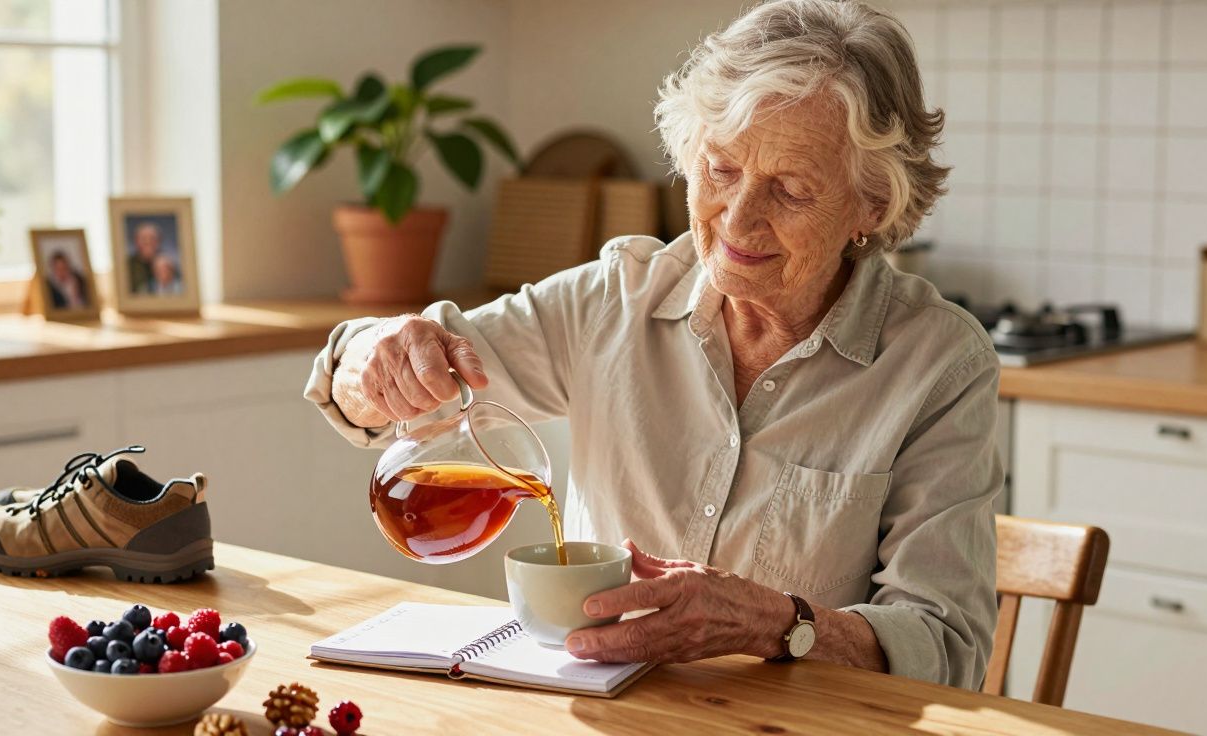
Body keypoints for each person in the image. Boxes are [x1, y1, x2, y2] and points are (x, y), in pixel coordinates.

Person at [305, 0, 999, 689]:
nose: (740, 218)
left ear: (871, 204)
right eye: (721, 170)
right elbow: (372, 384)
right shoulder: (613, 300)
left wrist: (772, 623)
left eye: (790, 189)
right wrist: (376, 358)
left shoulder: (938, 363)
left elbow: (945, 645)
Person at [129, 222, 164, 295]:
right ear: (136, 241)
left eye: (152, 238)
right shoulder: (127, 266)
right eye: (143, 238)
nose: (148, 242)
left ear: (159, 241)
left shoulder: (169, 263)